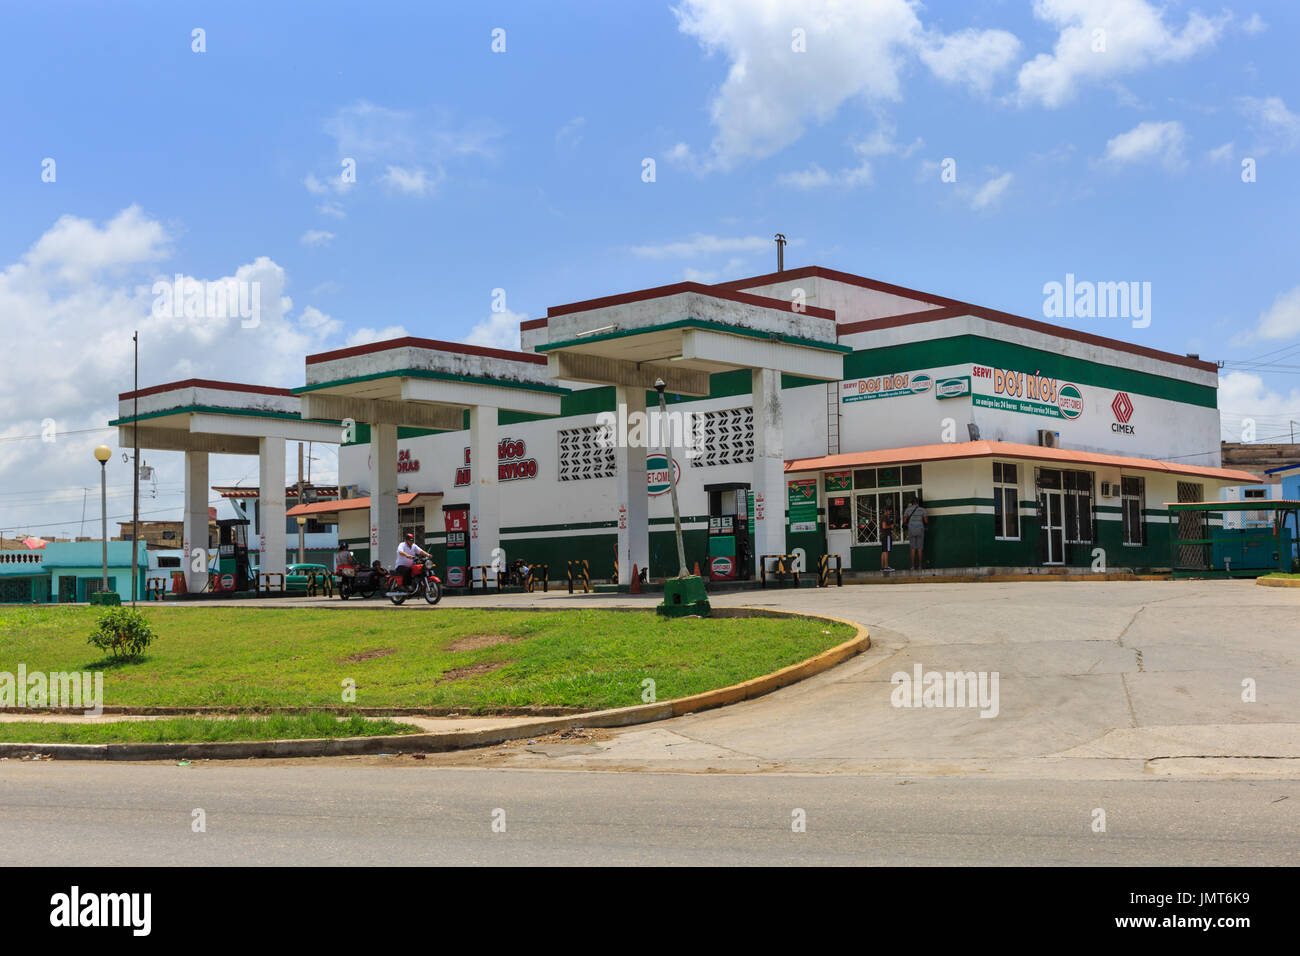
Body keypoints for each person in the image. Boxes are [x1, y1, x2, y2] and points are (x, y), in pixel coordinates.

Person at [902, 494, 928, 571]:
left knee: (913, 549)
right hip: (920, 530)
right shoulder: (922, 510)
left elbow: (904, 521)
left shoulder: (907, 510)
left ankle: (912, 566)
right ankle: (920, 566)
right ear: (918, 503)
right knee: (920, 548)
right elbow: (926, 521)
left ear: (912, 503)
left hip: (911, 530)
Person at [880, 503, 895, 574]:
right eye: (889, 511)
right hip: (886, 536)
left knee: (883, 551)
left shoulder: (883, 517)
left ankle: (883, 567)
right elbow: (884, 526)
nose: (890, 512)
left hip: (883, 536)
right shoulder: (885, 517)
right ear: (886, 511)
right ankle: (886, 567)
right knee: (886, 551)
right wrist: (890, 526)